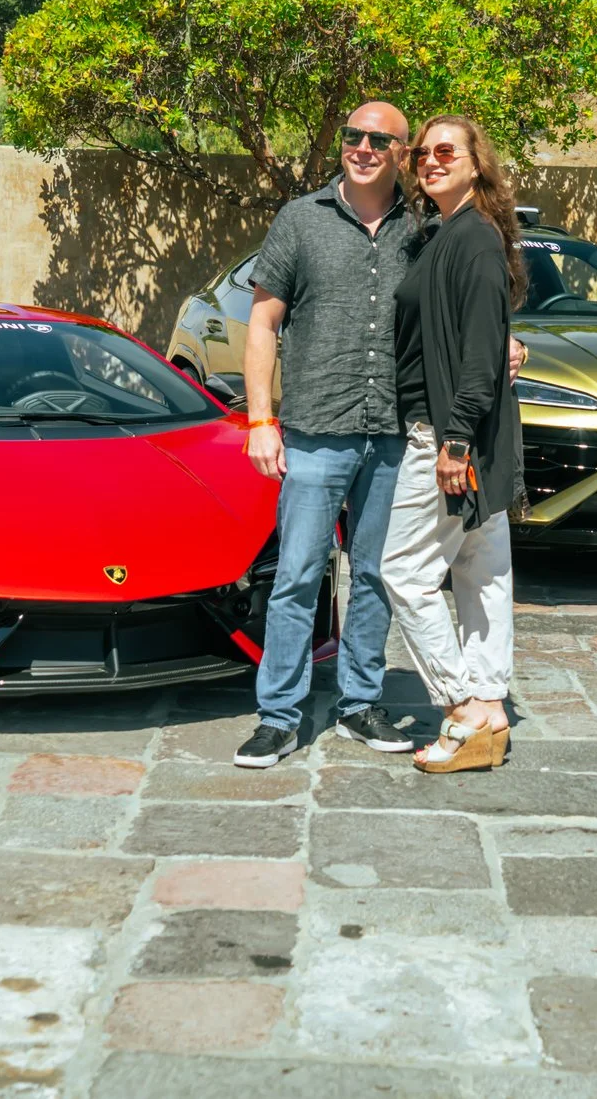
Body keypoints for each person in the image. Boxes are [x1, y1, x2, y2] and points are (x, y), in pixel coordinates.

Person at [232, 101, 422, 768]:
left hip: (393, 431)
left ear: (402, 153)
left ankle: (359, 702)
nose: (362, 147)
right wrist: (261, 420)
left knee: (374, 575)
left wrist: (508, 343)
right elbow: (263, 324)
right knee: (297, 576)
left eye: (379, 139)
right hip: (315, 430)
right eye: (353, 136)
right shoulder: (300, 218)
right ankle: (278, 716)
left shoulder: (421, 227)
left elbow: (467, 299)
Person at [380, 115, 525, 775]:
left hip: (446, 435)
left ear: (475, 164)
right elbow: (487, 335)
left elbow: (478, 351)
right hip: (466, 432)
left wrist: (456, 440)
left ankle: (461, 705)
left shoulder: (473, 238)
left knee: (404, 571)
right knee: (479, 569)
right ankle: (490, 707)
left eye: (446, 151)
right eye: (422, 153)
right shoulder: (447, 234)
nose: (431, 161)